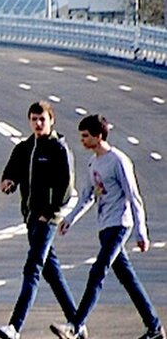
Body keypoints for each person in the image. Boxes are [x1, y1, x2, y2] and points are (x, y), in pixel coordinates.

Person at [49, 115, 165, 339]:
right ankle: (154, 328)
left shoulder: (118, 160)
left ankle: (75, 325)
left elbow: (134, 197)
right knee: (128, 279)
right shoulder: (93, 162)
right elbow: (87, 196)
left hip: (119, 225)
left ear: (98, 136)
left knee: (97, 271)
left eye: (85, 136)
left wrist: (142, 232)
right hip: (104, 227)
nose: (82, 140)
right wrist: (70, 219)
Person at [0, 101, 78, 339]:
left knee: (32, 269)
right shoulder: (25, 148)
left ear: (51, 120)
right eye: (34, 119)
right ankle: (77, 324)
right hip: (30, 219)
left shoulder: (58, 149)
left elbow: (66, 188)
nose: (38, 124)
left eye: (42, 119)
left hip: (46, 220)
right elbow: (11, 173)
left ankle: (15, 327)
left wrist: (49, 213)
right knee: (52, 272)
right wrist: (8, 182)